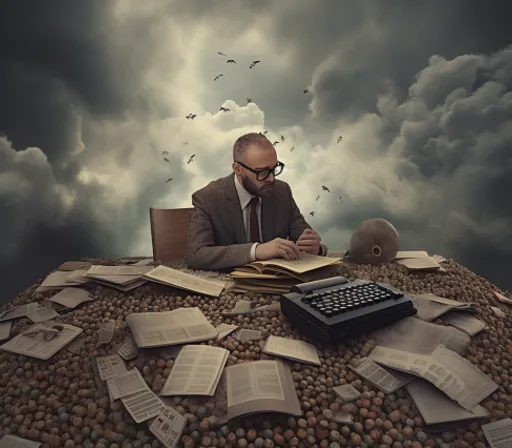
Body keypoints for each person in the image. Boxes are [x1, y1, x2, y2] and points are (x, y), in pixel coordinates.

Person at [185, 132, 327, 271]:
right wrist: (256, 251)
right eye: (262, 172)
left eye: (274, 169)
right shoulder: (208, 198)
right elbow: (196, 255)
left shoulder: (281, 191)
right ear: (238, 169)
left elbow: (304, 238)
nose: (271, 178)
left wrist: (315, 247)